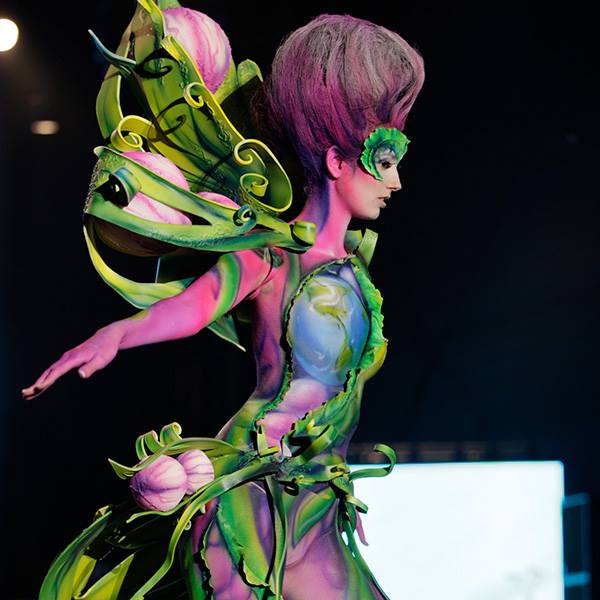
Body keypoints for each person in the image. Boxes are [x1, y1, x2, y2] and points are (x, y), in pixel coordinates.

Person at [23, 9, 424, 600]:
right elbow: (193, 306)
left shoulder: (357, 271)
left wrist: (336, 481)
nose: (395, 182)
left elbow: (338, 394)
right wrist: (116, 334)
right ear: (338, 161)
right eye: (384, 162)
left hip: (316, 500)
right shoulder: (272, 256)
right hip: (250, 490)